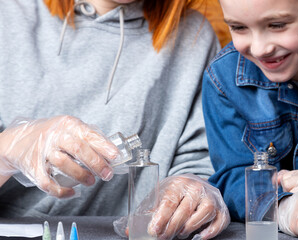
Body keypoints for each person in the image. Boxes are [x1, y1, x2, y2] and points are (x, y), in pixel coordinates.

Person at [0, 0, 230, 239]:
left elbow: (198, 163)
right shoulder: (8, 16)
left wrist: (191, 190)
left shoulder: (194, 36)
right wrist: (7, 149)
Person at [202, 0, 298, 238]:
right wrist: (284, 207)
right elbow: (231, 176)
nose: (259, 48)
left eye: (276, 25)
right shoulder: (222, 77)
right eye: (239, 27)